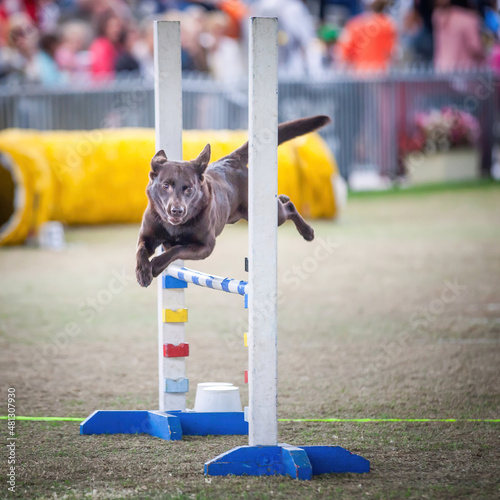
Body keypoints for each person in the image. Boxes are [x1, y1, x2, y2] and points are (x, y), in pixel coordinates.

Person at [335, 0, 398, 74]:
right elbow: (392, 53)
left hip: (360, 74)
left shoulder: (355, 24)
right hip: (381, 73)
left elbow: (343, 52)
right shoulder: (389, 25)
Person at [433, 0, 485, 72]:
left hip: (441, 68)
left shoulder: (438, 15)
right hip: (463, 71)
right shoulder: (469, 18)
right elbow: (476, 48)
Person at [88, 9, 123, 81]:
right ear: (104, 27)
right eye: (112, 26)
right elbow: (102, 73)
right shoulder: (101, 45)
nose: (116, 30)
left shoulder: (118, 46)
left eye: (117, 26)